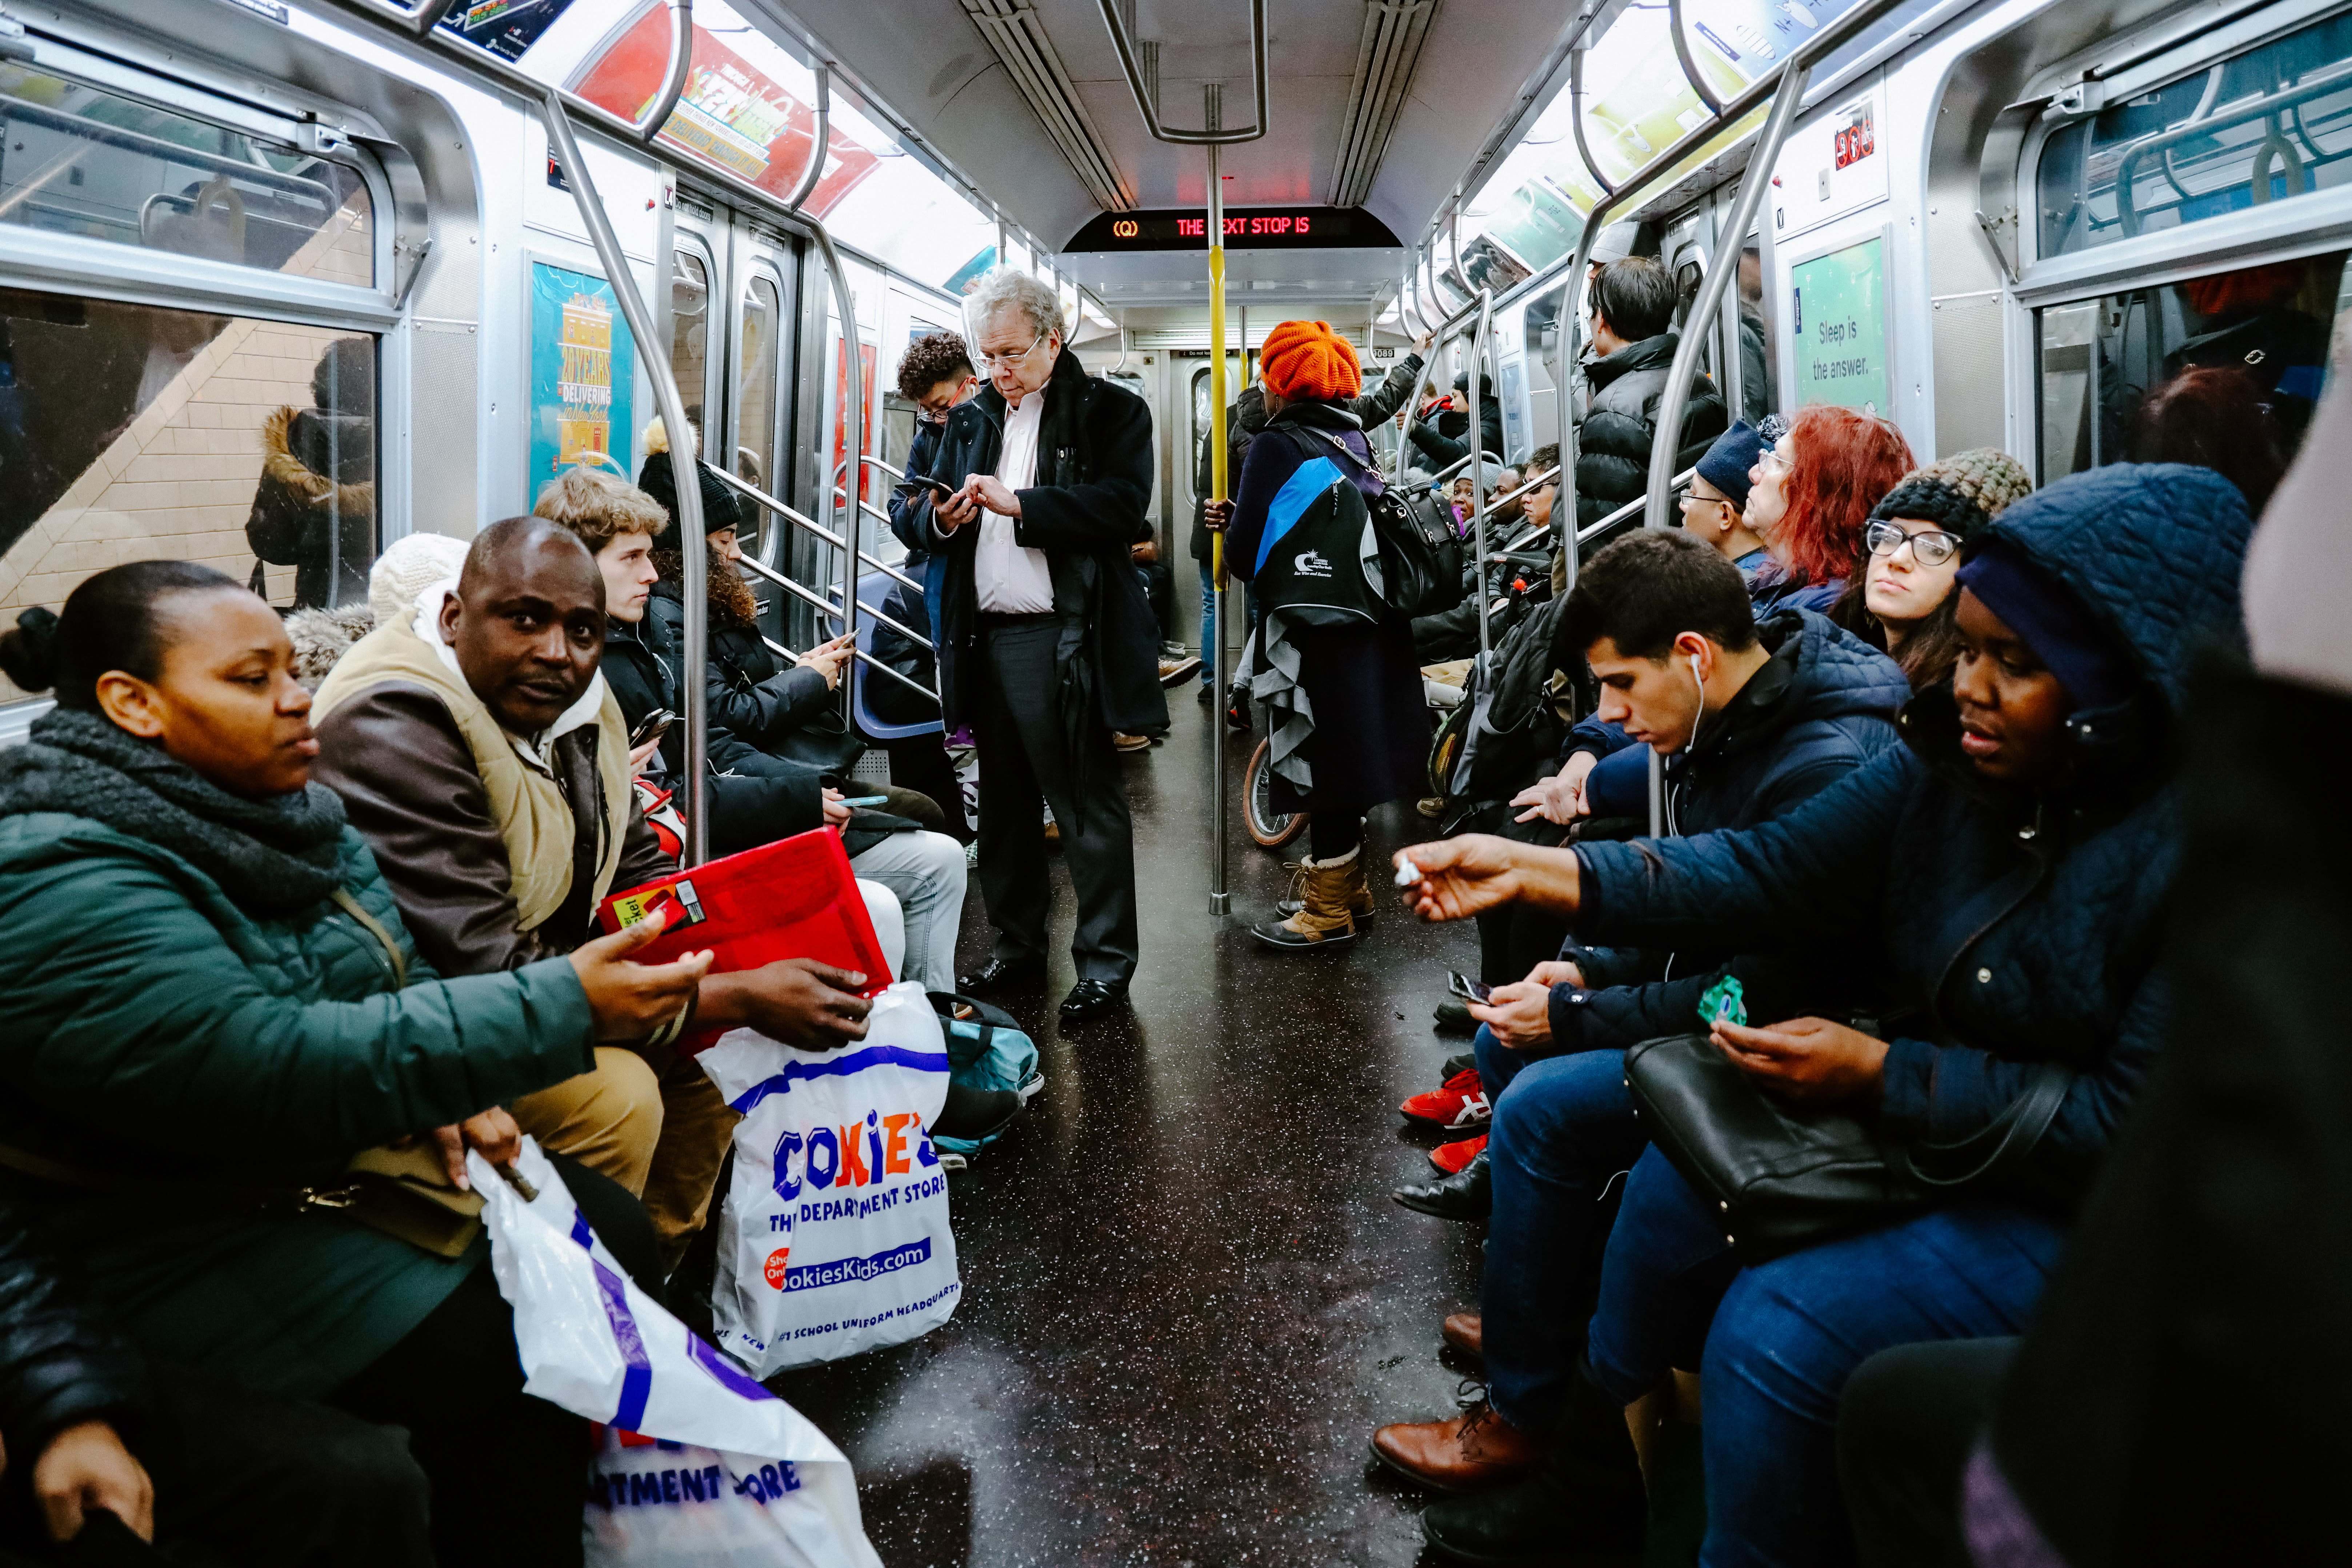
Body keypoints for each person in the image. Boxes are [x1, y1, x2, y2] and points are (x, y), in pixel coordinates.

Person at [1392, 462, 2252, 1567]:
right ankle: (1583, 1478)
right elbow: (1765, 869)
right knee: (1667, 1189)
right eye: (1970, 650)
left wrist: (1877, 1075)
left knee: (1775, 1330)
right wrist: (1535, 873)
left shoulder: (2213, 854)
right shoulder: (1950, 764)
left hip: (2097, 1206)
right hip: (1932, 1105)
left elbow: (2126, 1132)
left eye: (2016, 664)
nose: (1970, 689)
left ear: (2118, 684)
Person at [0, 560, 723, 1567]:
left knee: (611, 1235)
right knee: (508, 1350)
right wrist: (559, 1005)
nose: (299, 699)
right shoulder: (62, 871)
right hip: (179, 1227)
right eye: (253, 681)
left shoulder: (290, 811)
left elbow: (389, 971)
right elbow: (257, 1069)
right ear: (134, 703)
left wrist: (452, 1093)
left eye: (291, 669)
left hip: (310, 1169)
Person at [1379, 533, 1908, 1489]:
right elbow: (1689, 894)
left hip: (1792, 1039)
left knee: (1552, 1108)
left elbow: (1756, 989)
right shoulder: (1733, 722)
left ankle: (1544, 1422)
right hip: (1730, 999)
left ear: (1693, 657)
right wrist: (1578, 981)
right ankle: (1534, 1338)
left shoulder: (1824, 761)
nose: (1611, 718)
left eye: (1621, 686)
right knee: (1517, 1042)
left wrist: (1588, 1012)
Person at [310, 518, 876, 1259]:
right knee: (618, 1094)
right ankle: (570, 1289)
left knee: (723, 1046)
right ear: (453, 616)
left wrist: (711, 951)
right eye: (524, 619)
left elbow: (633, 856)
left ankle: (657, 1271)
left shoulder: (574, 696)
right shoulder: (396, 721)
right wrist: (727, 992)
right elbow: (486, 967)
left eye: (582, 628)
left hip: (540, 969)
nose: (556, 649)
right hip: (434, 1017)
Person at [532, 466, 964, 995]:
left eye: (649, 555)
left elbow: (702, 751)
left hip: (700, 827)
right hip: (666, 865)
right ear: (577, 568)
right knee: (883, 901)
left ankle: (927, 1022)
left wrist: (799, 793)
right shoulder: (586, 669)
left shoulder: (647, 637)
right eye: (631, 558)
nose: (649, 574)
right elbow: (671, 793)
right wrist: (797, 797)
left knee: (935, 856)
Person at [895, 266, 1163, 1023]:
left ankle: (1106, 962)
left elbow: (1122, 509)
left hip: (1061, 635)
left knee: (1084, 804)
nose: (998, 371)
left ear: (1053, 339)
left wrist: (1026, 505)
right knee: (1003, 807)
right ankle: (1017, 945)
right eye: (989, 357)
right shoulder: (970, 418)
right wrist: (943, 520)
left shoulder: (1112, 411)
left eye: (1011, 354)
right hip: (981, 637)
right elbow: (908, 504)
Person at [1216, 320, 1433, 950]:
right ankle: (1351, 889)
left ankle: (1326, 911)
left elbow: (1243, 554)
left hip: (1314, 627)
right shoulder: (1351, 436)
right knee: (1350, 752)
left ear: (1278, 382)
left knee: (1322, 761)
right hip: (1365, 617)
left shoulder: (1276, 443)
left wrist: (1232, 528)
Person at [1832, 449, 2033, 690]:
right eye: (1890, 536)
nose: (1898, 558)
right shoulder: (1832, 641)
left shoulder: (1955, 699)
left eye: (1933, 548)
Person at [1571, 256, 1729, 535]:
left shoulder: (1614, 411)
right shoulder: (1696, 382)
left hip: (1647, 566)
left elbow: (1605, 530)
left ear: (1602, 320)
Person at [1745, 404, 1916, 615]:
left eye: (1777, 462)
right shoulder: (1793, 579)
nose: (1754, 474)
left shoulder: (1814, 613)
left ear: (1821, 496)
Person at [245, 337, 373, 610]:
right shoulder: (399, 441)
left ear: (322, 387)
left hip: (317, 604)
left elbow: (270, 544)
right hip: (386, 608)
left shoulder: (291, 445)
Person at [1678, 420, 1771, 581]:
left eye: (1693, 495)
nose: (1683, 506)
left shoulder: (1737, 590)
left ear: (1725, 515)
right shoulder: (1771, 571)